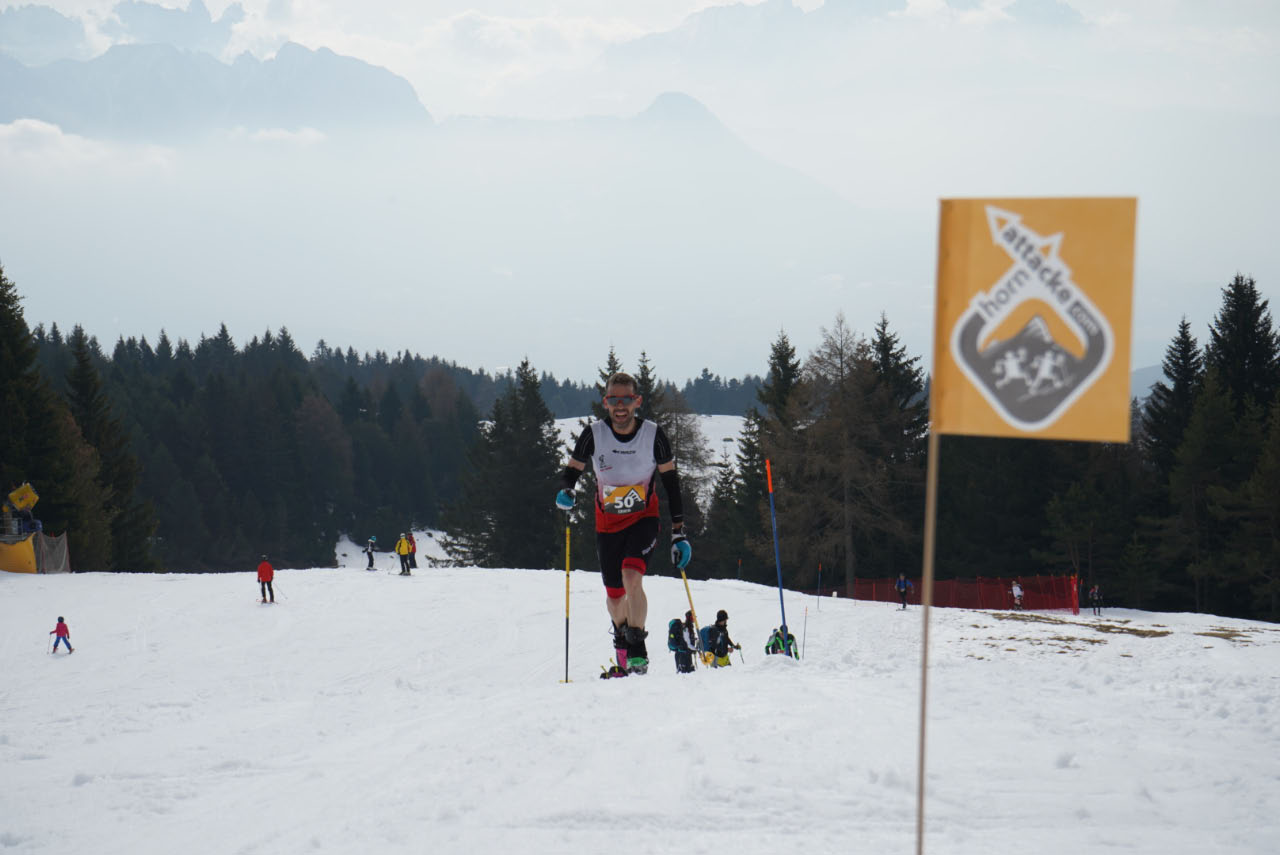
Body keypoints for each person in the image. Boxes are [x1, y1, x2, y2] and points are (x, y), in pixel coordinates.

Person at [556, 372, 691, 676]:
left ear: (636, 401)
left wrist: (678, 533)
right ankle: (621, 636)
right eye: (614, 400)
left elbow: (671, 484)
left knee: (632, 576)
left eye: (626, 400)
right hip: (607, 525)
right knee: (615, 597)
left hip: (644, 518)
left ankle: (638, 648)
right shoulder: (594, 434)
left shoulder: (653, 435)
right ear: (606, 402)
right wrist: (566, 490)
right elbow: (571, 471)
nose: (620, 406)